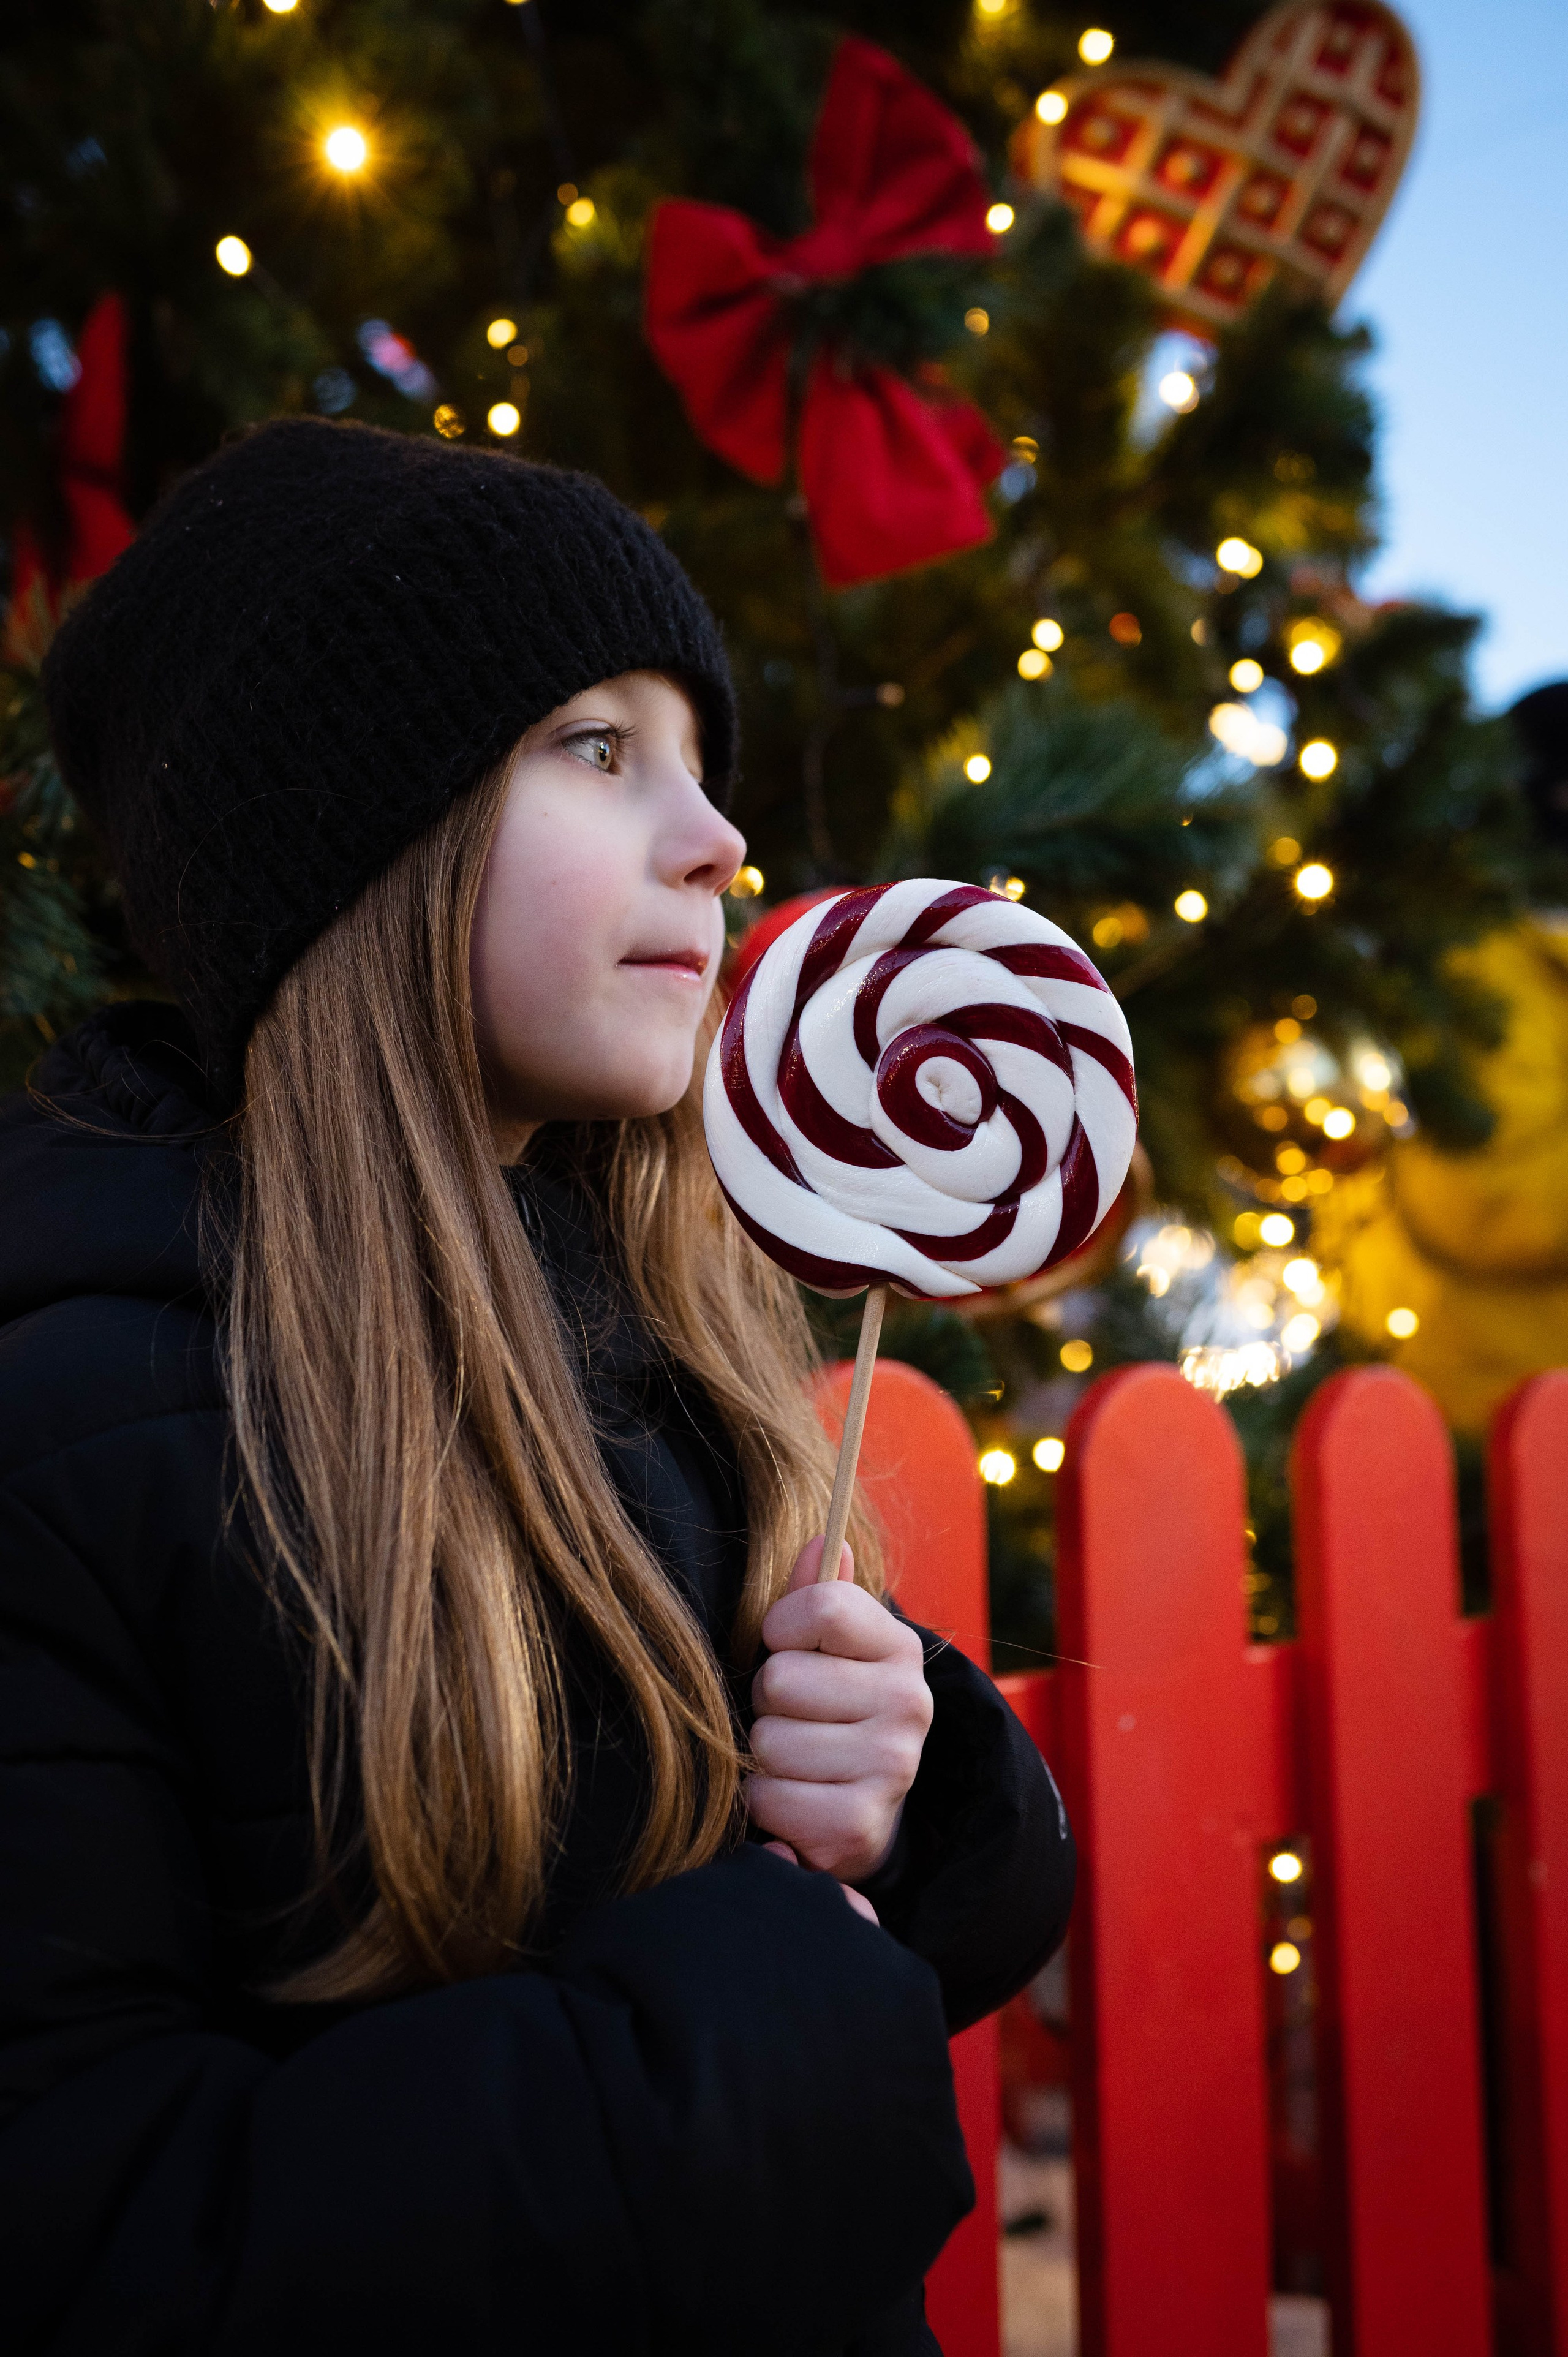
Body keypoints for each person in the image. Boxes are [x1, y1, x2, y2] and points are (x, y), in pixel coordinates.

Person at [0, 420, 1073, 2356]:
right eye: (597, 746)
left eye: (701, 757)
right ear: (355, 840)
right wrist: (722, 2059)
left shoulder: (679, 1345)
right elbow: (91, 2228)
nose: (720, 839)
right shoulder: (83, 1434)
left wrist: (915, 1800)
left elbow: (895, 1904)